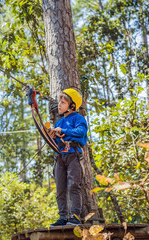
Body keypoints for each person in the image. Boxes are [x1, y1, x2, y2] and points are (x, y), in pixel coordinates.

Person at [49, 88, 88, 227]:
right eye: (59, 102)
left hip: (73, 155)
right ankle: (63, 217)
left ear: (72, 106)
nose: (59, 105)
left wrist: (63, 131)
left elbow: (80, 132)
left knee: (73, 186)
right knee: (60, 188)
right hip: (60, 157)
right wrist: (53, 137)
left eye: (63, 102)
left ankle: (75, 216)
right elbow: (58, 142)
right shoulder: (58, 123)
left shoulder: (78, 119)